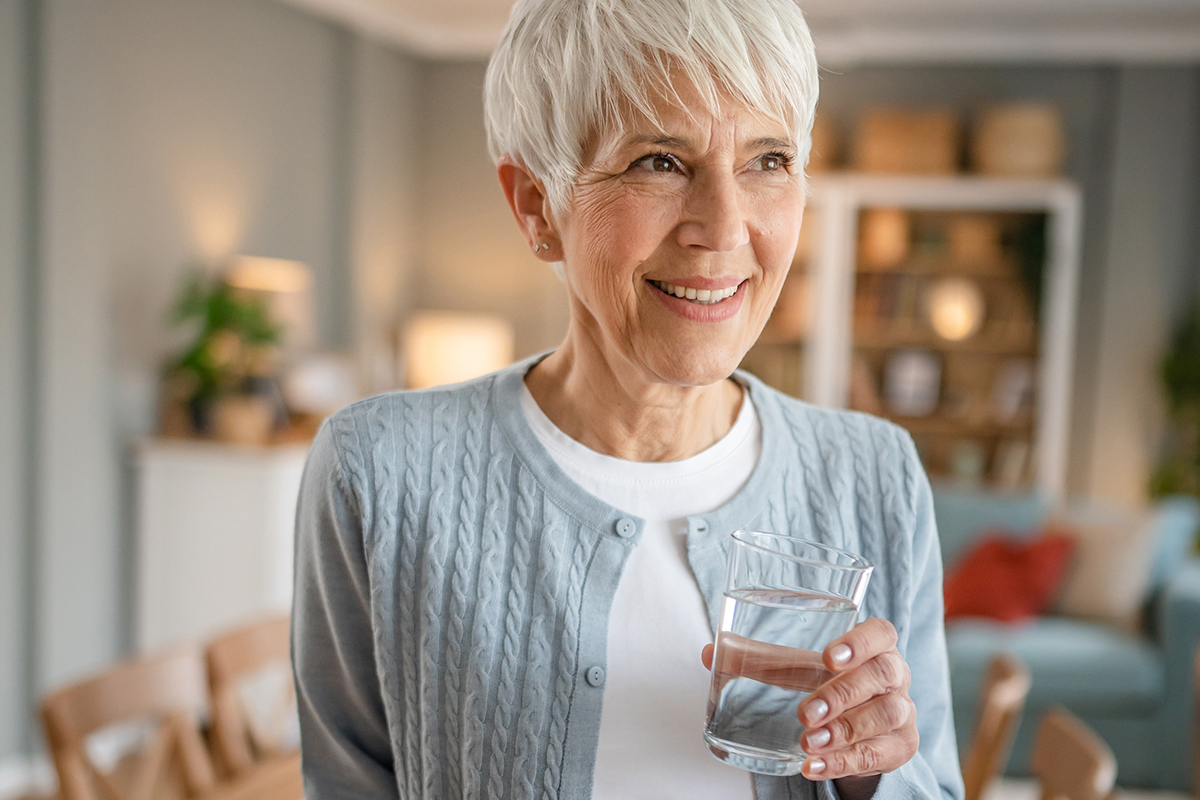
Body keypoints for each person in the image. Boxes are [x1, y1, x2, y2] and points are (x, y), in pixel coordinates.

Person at [291, 0, 964, 798]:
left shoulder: (873, 474)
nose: (723, 226)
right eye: (660, 161)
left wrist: (871, 776)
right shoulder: (379, 471)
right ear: (536, 205)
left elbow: (931, 786)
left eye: (769, 160)